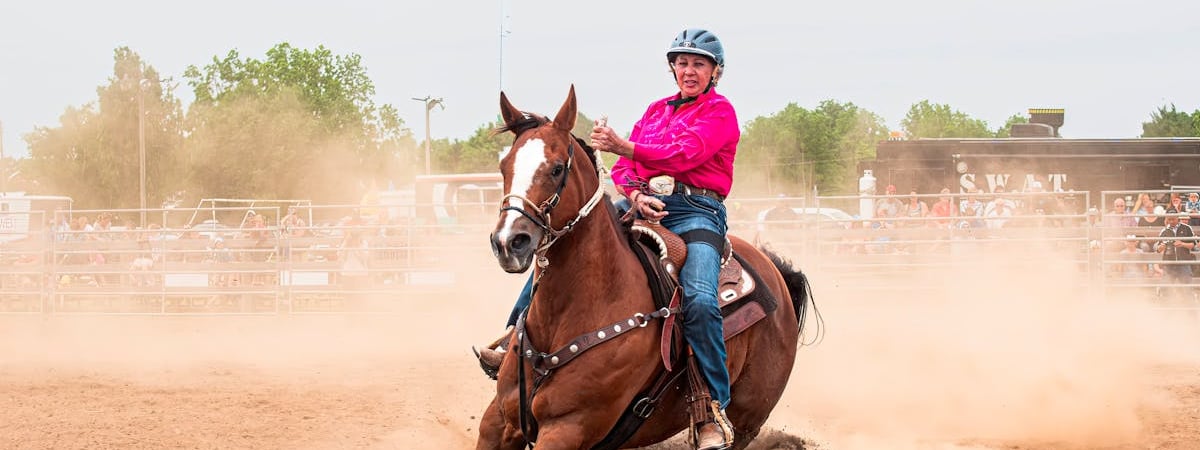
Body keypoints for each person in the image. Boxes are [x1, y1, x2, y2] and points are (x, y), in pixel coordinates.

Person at [475, 27, 738, 450]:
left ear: (715, 72)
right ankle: (512, 339)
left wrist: (625, 146)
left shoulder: (720, 113)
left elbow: (684, 155)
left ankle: (710, 407)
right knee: (560, 246)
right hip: (644, 203)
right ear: (673, 68)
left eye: (699, 64)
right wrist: (634, 191)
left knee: (702, 299)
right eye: (682, 63)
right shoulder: (656, 111)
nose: (689, 71)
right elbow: (622, 172)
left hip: (697, 212)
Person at [1155, 208, 1195, 302]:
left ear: (1178, 218)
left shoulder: (1187, 228)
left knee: (1187, 289)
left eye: (1173, 219)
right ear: (1166, 219)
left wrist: (1182, 244)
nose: (1171, 221)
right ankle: (1166, 309)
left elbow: (1192, 245)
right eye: (1169, 219)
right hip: (1169, 264)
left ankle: (1190, 309)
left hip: (1184, 263)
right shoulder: (1164, 231)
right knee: (1166, 290)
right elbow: (1158, 249)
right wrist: (1162, 247)